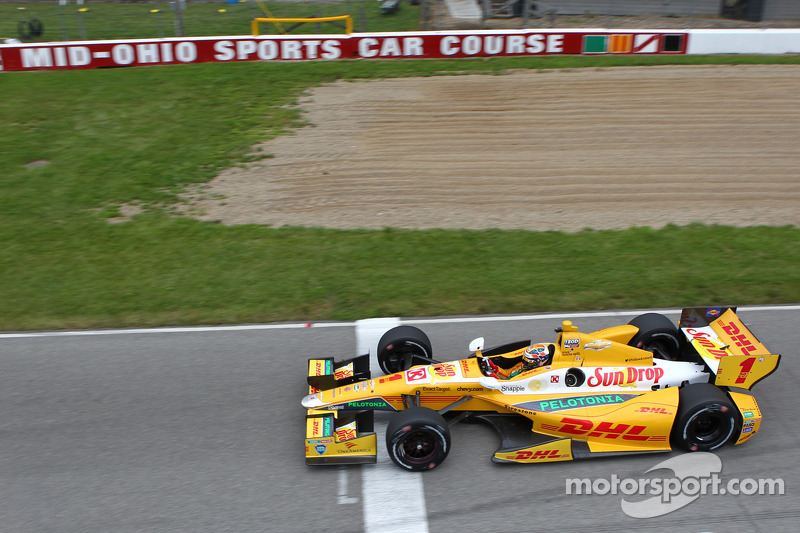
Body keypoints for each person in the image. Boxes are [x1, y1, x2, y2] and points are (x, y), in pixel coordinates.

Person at [480, 343, 550, 380]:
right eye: (525, 359)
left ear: (541, 361)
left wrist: (494, 377)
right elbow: (507, 374)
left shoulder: (533, 375)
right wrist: (494, 367)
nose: (525, 363)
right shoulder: (523, 365)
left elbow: (510, 386)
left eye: (529, 361)